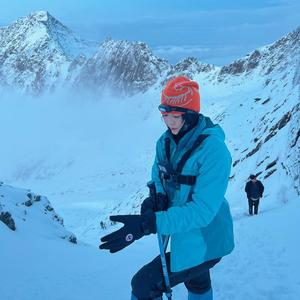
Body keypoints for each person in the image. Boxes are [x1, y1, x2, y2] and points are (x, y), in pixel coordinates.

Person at [99, 76, 234, 300]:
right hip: (186, 234)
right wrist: (156, 198)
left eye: (175, 116)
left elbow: (202, 211)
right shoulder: (165, 142)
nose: (170, 123)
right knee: (197, 280)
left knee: (143, 284)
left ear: (190, 115)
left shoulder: (214, 152)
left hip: (206, 237)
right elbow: (158, 175)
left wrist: (151, 223)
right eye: (165, 116)